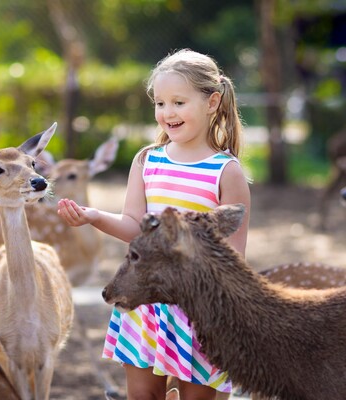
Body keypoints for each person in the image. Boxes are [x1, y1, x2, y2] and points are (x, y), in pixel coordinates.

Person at [57, 48, 251, 400]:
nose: (167, 113)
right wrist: (94, 216)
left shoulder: (226, 171)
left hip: (199, 309)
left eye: (178, 102)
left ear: (212, 102)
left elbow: (233, 255)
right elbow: (135, 227)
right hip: (146, 303)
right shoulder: (147, 161)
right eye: (160, 104)